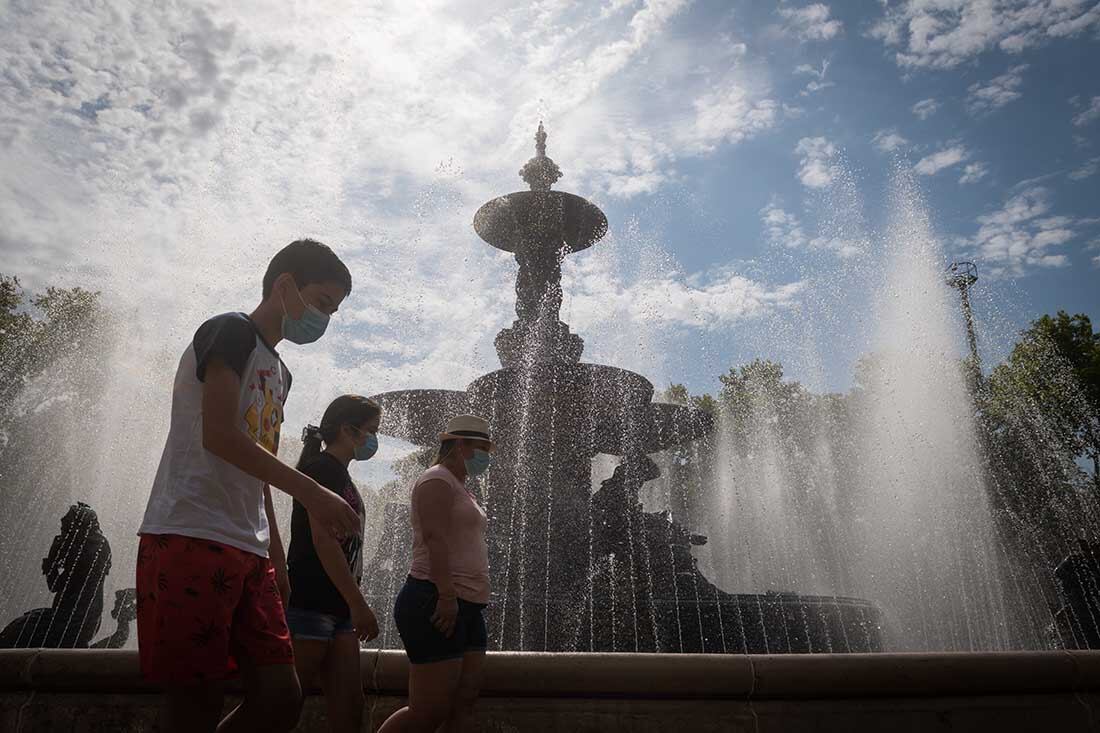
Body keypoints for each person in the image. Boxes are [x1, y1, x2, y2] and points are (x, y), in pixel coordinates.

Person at [135, 239, 362, 733]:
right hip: (190, 533)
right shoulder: (229, 332)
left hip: (249, 550)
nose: (324, 319)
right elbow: (218, 435)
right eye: (322, 303)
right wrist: (312, 491)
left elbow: (259, 467)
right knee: (195, 701)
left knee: (282, 695)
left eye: (333, 310)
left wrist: (275, 556)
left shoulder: (280, 372)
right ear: (285, 285)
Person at [378, 414, 494, 733]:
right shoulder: (436, 479)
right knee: (428, 711)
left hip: (468, 604)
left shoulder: (462, 487)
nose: (486, 456)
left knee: (463, 704)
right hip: (435, 598)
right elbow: (434, 537)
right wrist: (446, 595)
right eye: (481, 448)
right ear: (459, 445)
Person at [286, 394, 383, 732]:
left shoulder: (338, 474)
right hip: (313, 602)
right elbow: (323, 541)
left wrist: (351, 602)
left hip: (337, 606)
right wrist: (358, 604)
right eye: (371, 431)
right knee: (283, 706)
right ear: (348, 430)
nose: (375, 440)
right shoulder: (323, 470)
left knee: (350, 707)